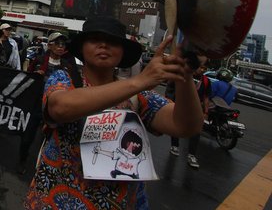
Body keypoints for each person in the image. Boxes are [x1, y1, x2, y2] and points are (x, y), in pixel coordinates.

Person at [24, 16, 204, 209]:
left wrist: (183, 73)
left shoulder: (138, 96)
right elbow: (60, 108)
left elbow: (186, 126)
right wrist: (141, 81)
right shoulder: (64, 77)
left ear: (122, 52)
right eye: (95, 39)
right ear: (82, 48)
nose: (103, 45)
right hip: (55, 201)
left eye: (113, 41)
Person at [17, 32, 78, 174]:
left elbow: (75, 85)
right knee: (27, 137)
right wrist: (36, 76)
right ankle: (22, 160)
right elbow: (27, 79)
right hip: (36, 105)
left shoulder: (67, 65)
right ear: (50, 45)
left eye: (63, 44)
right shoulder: (39, 59)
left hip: (54, 109)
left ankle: (46, 166)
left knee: (52, 139)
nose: (61, 47)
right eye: (57, 43)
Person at [167, 55, 211, 169]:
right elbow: (171, 88)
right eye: (200, 67)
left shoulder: (206, 81)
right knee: (176, 124)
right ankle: (174, 146)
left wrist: (206, 111)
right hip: (180, 105)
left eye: (204, 68)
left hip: (195, 109)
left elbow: (206, 97)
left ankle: (191, 155)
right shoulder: (182, 75)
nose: (201, 70)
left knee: (196, 132)